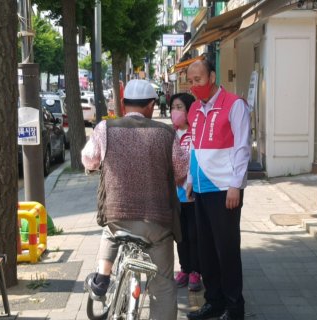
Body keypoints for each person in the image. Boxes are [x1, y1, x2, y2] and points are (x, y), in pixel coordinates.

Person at [82, 79, 188, 320]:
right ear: (152, 106)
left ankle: (102, 278)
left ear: (123, 103)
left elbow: (89, 159)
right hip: (157, 223)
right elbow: (181, 171)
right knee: (163, 285)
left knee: (109, 230)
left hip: (118, 217)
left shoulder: (104, 129)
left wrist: (98, 165)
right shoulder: (167, 133)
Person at [185, 60, 251, 320]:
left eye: (198, 79)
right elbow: (193, 148)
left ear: (212, 76)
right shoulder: (193, 109)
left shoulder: (234, 105)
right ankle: (214, 301)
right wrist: (190, 179)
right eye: (190, 81)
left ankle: (235, 307)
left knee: (227, 250)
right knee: (206, 251)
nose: (194, 86)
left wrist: (236, 185)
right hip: (201, 188)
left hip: (225, 189)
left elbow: (243, 148)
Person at [170, 93, 203, 292]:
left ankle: (196, 271)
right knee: (180, 236)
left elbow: (197, 161)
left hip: (192, 193)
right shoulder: (171, 134)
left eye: (180, 107)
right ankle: (184, 268)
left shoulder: (196, 133)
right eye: (173, 106)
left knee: (194, 235)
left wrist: (187, 181)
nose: (175, 111)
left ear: (189, 110)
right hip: (176, 196)